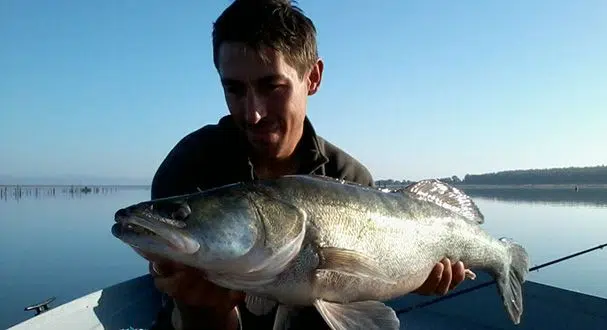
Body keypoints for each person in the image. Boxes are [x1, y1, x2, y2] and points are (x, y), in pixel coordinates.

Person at [137, 0, 470, 329]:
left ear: (312, 77)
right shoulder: (189, 166)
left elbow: (362, 310)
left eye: (272, 86)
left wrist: (412, 278)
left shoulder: (349, 177)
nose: (254, 112)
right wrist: (203, 309)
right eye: (234, 89)